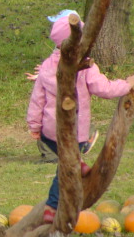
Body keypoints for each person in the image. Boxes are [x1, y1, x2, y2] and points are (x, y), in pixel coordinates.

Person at [26, 15, 134, 223]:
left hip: (50, 131)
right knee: (65, 168)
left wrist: (34, 126)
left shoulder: (46, 66)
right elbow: (103, 88)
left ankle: (77, 162)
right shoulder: (84, 66)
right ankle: (52, 206)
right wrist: (128, 83)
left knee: (68, 159)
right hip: (74, 131)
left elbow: (37, 99)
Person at [25, 10, 99, 162]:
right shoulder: (59, 57)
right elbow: (53, 72)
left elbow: (38, 99)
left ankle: (61, 153)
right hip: (59, 119)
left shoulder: (81, 61)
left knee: (53, 127)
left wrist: (34, 124)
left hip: (61, 118)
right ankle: (54, 155)